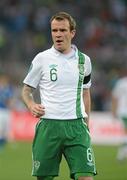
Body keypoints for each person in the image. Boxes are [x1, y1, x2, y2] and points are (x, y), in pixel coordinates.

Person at [21, 11, 97, 180]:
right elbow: (26, 90)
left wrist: (87, 124)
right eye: (54, 31)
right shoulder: (42, 59)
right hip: (48, 127)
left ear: (72, 33)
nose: (58, 34)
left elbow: (85, 92)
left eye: (62, 30)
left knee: (86, 177)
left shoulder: (85, 61)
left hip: (77, 127)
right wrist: (31, 105)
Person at [112, 67, 127, 161]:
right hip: (124, 111)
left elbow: (114, 97)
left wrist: (113, 110)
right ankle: (121, 154)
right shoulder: (121, 83)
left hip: (122, 110)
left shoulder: (121, 82)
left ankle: (122, 153)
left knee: (125, 132)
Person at [0, 73, 14, 150]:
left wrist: (11, 105)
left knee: (6, 128)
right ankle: (1, 145)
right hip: (1, 110)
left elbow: (10, 99)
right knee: (1, 128)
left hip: (7, 111)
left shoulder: (8, 89)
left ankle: (3, 145)